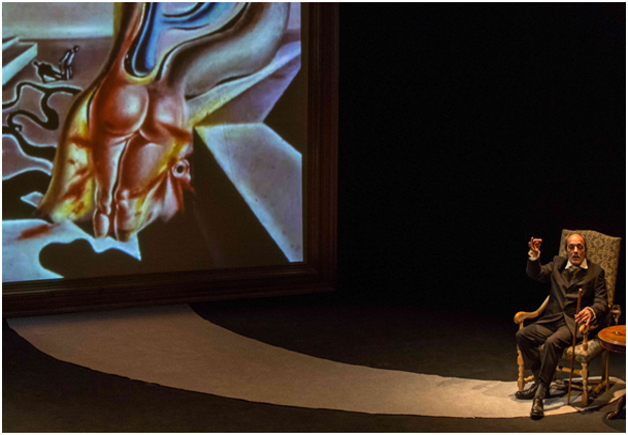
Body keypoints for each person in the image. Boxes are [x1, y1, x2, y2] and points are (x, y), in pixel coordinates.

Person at [515, 233, 607, 419]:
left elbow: (602, 301)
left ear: (585, 250)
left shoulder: (595, 272)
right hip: (552, 319)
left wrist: (591, 310)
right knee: (522, 335)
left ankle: (540, 394)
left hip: (574, 324)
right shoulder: (558, 264)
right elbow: (536, 273)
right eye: (571, 247)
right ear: (566, 250)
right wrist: (534, 256)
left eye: (579, 247)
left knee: (552, 342)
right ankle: (542, 381)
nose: (575, 251)